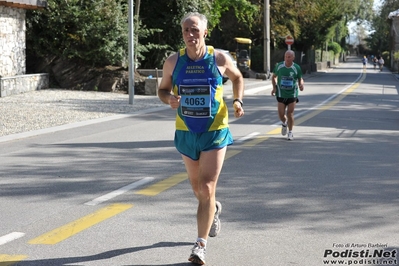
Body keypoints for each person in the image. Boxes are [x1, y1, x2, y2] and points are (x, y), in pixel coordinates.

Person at [157, 12, 244, 265]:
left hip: (215, 132)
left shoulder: (218, 58)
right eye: (186, 30)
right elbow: (162, 90)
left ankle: (200, 245)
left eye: (195, 30)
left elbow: (237, 77)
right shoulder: (173, 62)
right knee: (198, 189)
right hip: (185, 132)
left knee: (206, 187)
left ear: (205, 32)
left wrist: (238, 100)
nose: (190, 34)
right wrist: (168, 99)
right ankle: (214, 209)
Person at [271, 50, 304, 141]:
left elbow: (300, 79)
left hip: (292, 94)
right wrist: (274, 88)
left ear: (293, 58)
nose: (287, 58)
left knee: (290, 113)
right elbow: (273, 76)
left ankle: (290, 132)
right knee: (281, 115)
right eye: (286, 56)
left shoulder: (296, 67)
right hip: (281, 93)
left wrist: (301, 84)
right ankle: (284, 123)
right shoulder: (279, 66)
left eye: (289, 57)